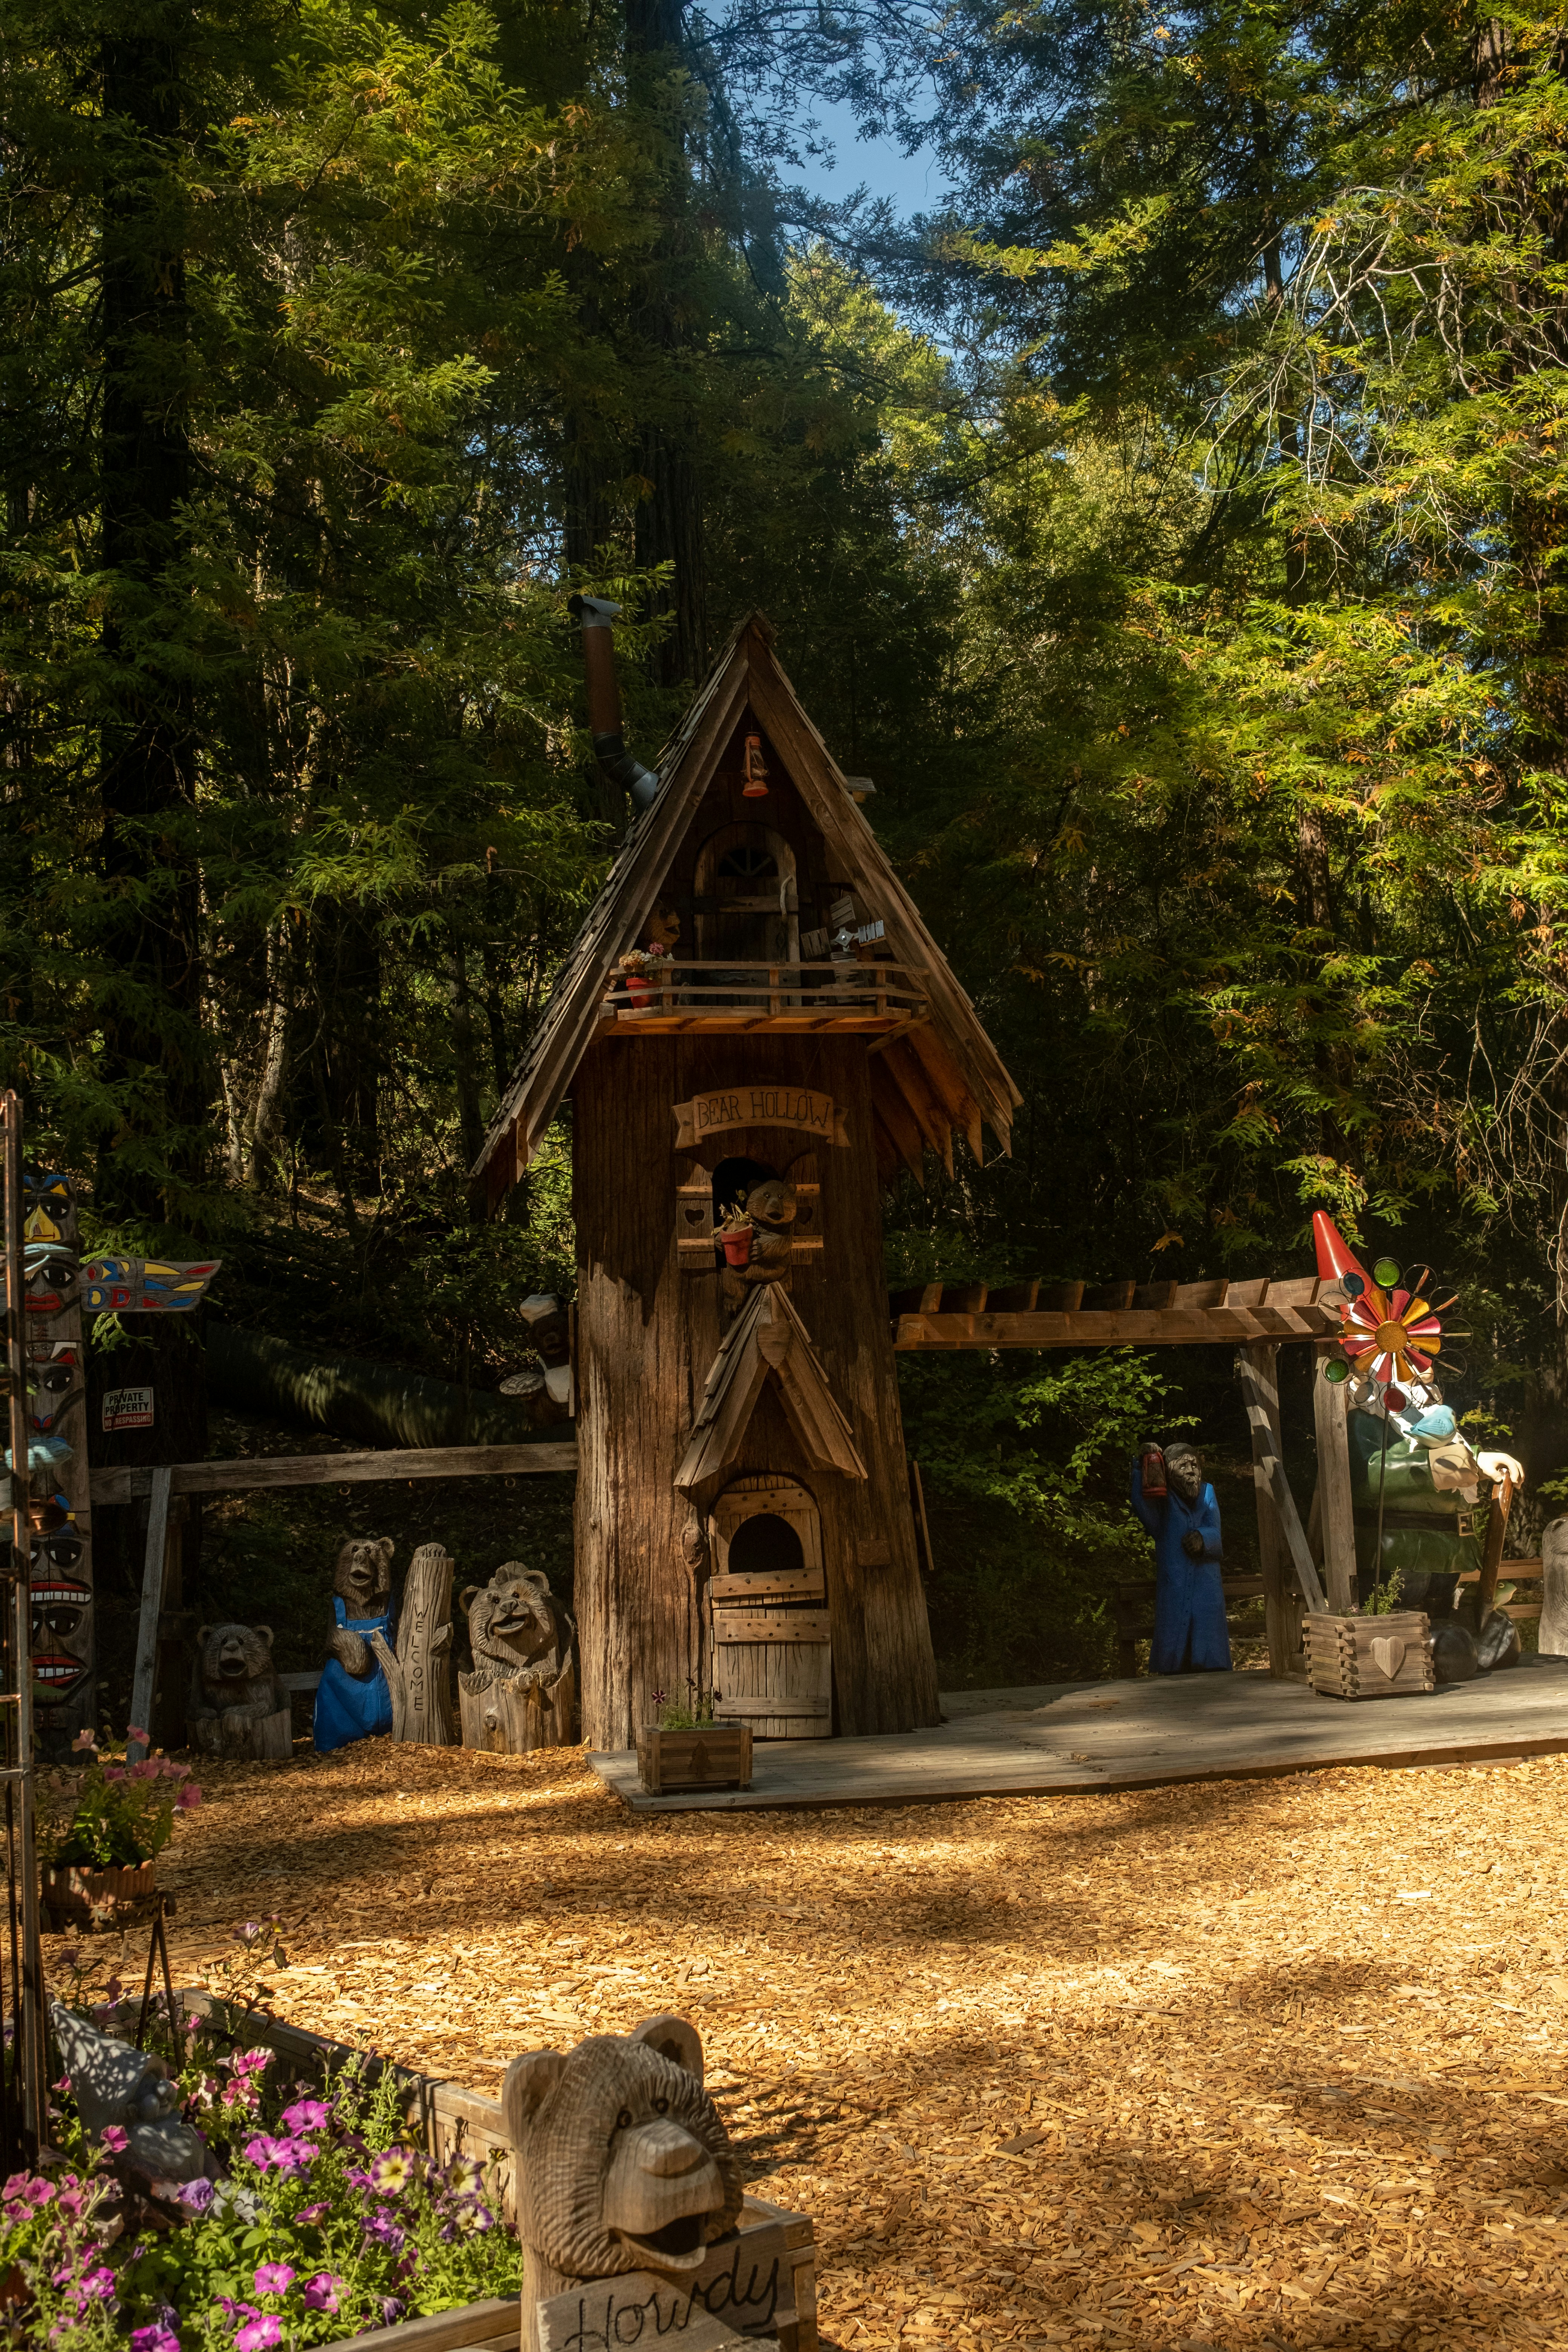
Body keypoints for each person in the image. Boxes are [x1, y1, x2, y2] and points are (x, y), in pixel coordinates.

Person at [1130, 1441, 1231, 1674]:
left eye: (1194, 1465)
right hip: (1174, 1583)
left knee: (1208, 1637)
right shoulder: (1164, 1501)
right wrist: (1140, 1469)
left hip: (1207, 1586)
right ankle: (1172, 1670)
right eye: (1182, 1467)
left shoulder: (1208, 1493)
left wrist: (1203, 1538)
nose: (1190, 1472)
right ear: (1169, 1471)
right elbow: (1142, 1508)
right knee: (1174, 1640)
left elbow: (1216, 1532)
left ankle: (1213, 1669)